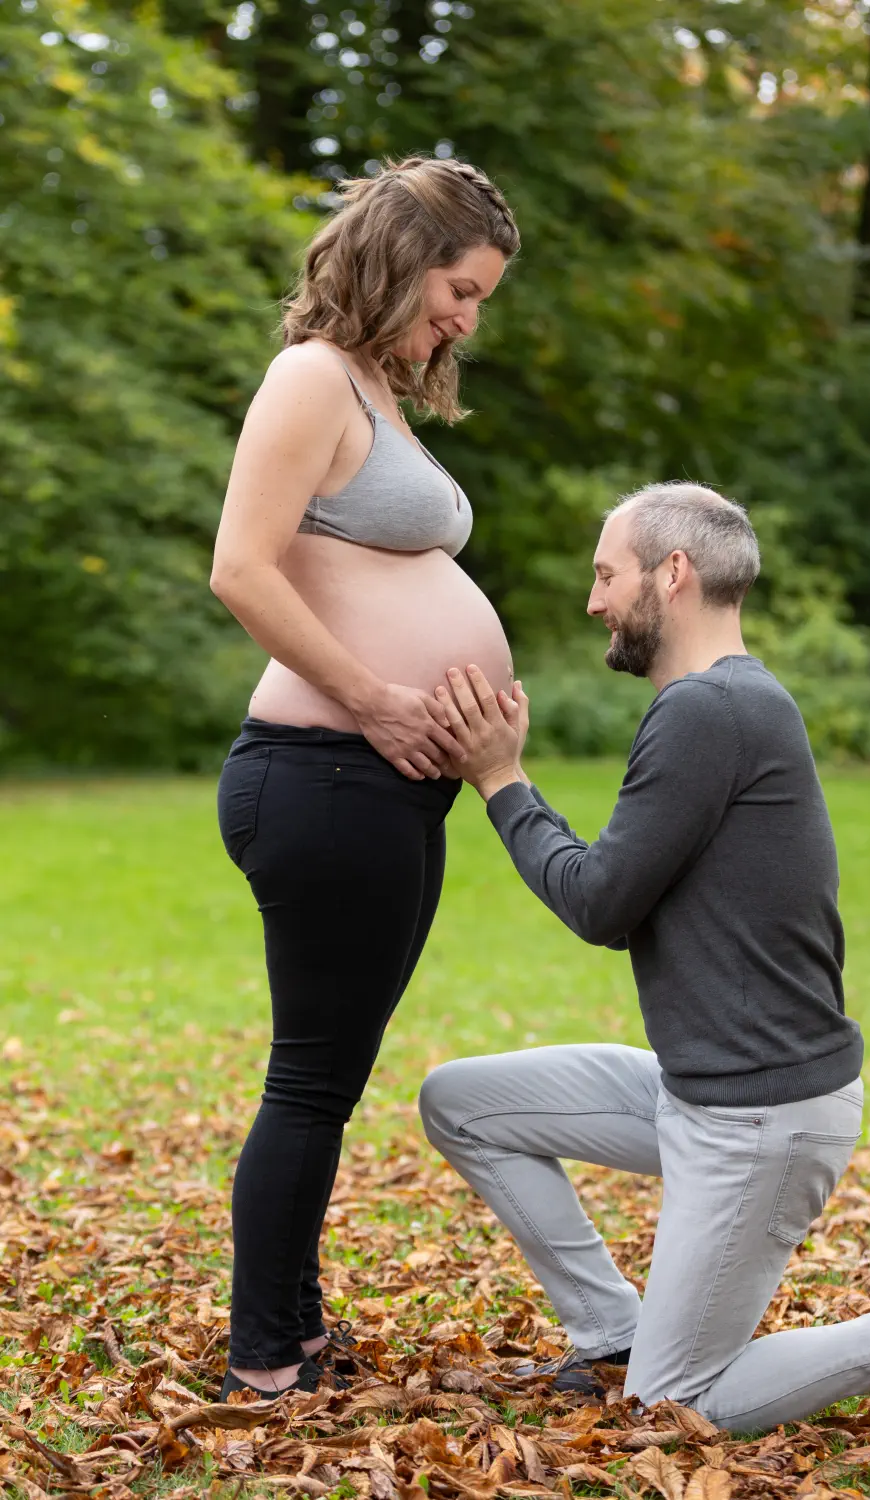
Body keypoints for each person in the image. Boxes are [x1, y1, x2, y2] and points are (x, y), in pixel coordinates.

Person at [419, 482, 870, 1438]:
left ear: (672, 574)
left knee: (675, 1407)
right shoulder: (728, 702)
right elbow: (622, 893)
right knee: (460, 1102)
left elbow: (599, 904)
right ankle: (613, 1334)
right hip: (698, 1091)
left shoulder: (709, 710)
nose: (594, 600)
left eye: (607, 574)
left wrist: (499, 778)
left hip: (762, 1118)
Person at [210, 156, 519, 1398]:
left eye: (481, 297)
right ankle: (264, 1357)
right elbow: (241, 568)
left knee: (326, 1081)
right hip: (326, 771)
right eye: (460, 287)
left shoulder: (373, 391)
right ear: (400, 259)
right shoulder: (310, 378)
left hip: (381, 786)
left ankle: (295, 1329)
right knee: (308, 1081)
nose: (467, 318)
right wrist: (379, 699)